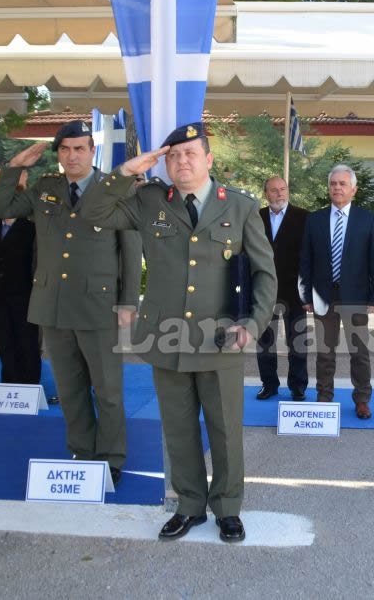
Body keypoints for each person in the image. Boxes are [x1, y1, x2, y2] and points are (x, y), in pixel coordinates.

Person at [80, 123, 276, 544]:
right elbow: (91, 212)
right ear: (163, 163)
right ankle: (189, 505)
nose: (181, 162)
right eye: (173, 156)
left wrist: (253, 324)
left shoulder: (239, 206)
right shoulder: (149, 200)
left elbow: (264, 273)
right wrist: (125, 171)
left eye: (190, 154)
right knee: (179, 428)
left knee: (225, 430)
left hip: (220, 337)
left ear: (209, 159)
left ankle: (227, 508)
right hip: (165, 339)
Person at [0, 121, 142, 487]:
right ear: (58, 154)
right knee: (70, 388)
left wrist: (127, 301)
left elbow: (131, 250)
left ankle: (111, 457)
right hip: (54, 304)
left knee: (107, 389)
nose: (72, 156)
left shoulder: (114, 189)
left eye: (79, 148)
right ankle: (82, 452)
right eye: (65, 149)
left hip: (99, 305)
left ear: (92, 151)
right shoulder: (45, 189)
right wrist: (15, 167)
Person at [299, 164, 374, 419]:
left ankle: (362, 400)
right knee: (325, 352)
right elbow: (305, 261)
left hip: (356, 297)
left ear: (353, 189)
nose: (337, 188)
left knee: (359, 352)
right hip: (322, 297)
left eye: (342, 184)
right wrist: (305, 296)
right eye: (333, 183)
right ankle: (324, 396)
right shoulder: (314, 220)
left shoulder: (367, 220)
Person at [0, 175, 40, 385]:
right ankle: (9, 379)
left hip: (25, 295)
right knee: (4, 339)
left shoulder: (31, 229)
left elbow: (36, 263)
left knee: (27, 339)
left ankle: (30, 381)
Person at [256, 176, 309, 401]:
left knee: (297, 341)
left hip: (294, 290)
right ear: (266, 194)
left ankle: (298, 386)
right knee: (265, 341)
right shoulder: (256, 217)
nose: (279, 194)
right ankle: (269, 385)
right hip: (263, 289)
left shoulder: (304, 217)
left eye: (283, 189)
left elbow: (310, 256)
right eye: (274, 190)